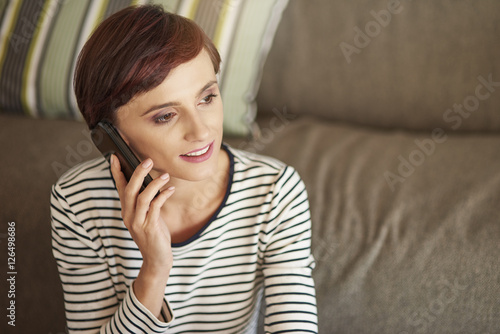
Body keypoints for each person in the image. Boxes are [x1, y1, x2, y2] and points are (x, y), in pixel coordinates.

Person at [50, 4, 317, 333]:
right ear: (110, 136)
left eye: (206, 97)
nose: (202, 131)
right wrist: (155, 268)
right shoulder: (76, 203)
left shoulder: (276, 192)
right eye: (165, 116)